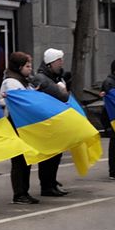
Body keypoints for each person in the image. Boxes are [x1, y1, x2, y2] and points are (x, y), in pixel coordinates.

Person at [0, 51, 39, 204]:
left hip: (24, 123)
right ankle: (19, 193)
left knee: (26, 159)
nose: (30, 69)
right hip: (15, 122)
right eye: (28, 66)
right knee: (19, 160)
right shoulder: (11, 82)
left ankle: (25, 191)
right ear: (19, 66)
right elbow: (5, 100)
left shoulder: (23, 81)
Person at [34, 48, 70, 197]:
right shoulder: (43, 78)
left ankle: (51, 182)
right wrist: (63, 89)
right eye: (58, 60)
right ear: (50, 63)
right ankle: (47, 185)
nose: (61, 63)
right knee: (49, 156)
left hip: (54, 121)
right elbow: (62, 96)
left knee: (56, 155)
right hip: (47, 123)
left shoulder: (55, 77)